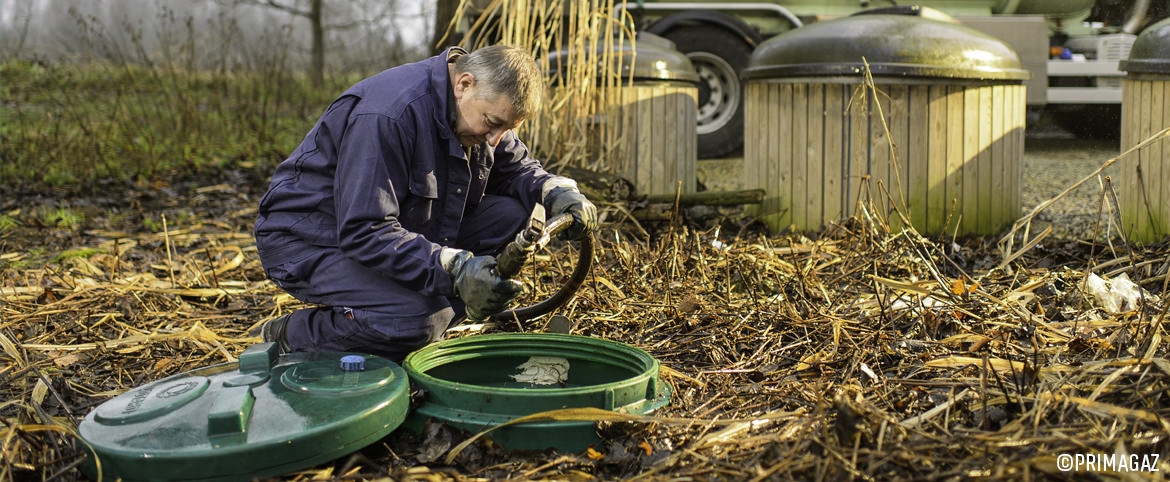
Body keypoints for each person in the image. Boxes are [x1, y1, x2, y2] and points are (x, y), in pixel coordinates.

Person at [253, 45, 597, 362]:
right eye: (493, 124)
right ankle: (294, 334)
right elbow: (364, 230)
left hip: (393, 228)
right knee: (418, 320)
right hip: (312, 240)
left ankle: (430, 314)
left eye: (507, 129)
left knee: (514, 214)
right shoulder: (389, 116)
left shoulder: (481, 107)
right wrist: (455, 267)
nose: (495, 139)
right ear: (464, 83)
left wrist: (556, 191)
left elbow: (519, 168)